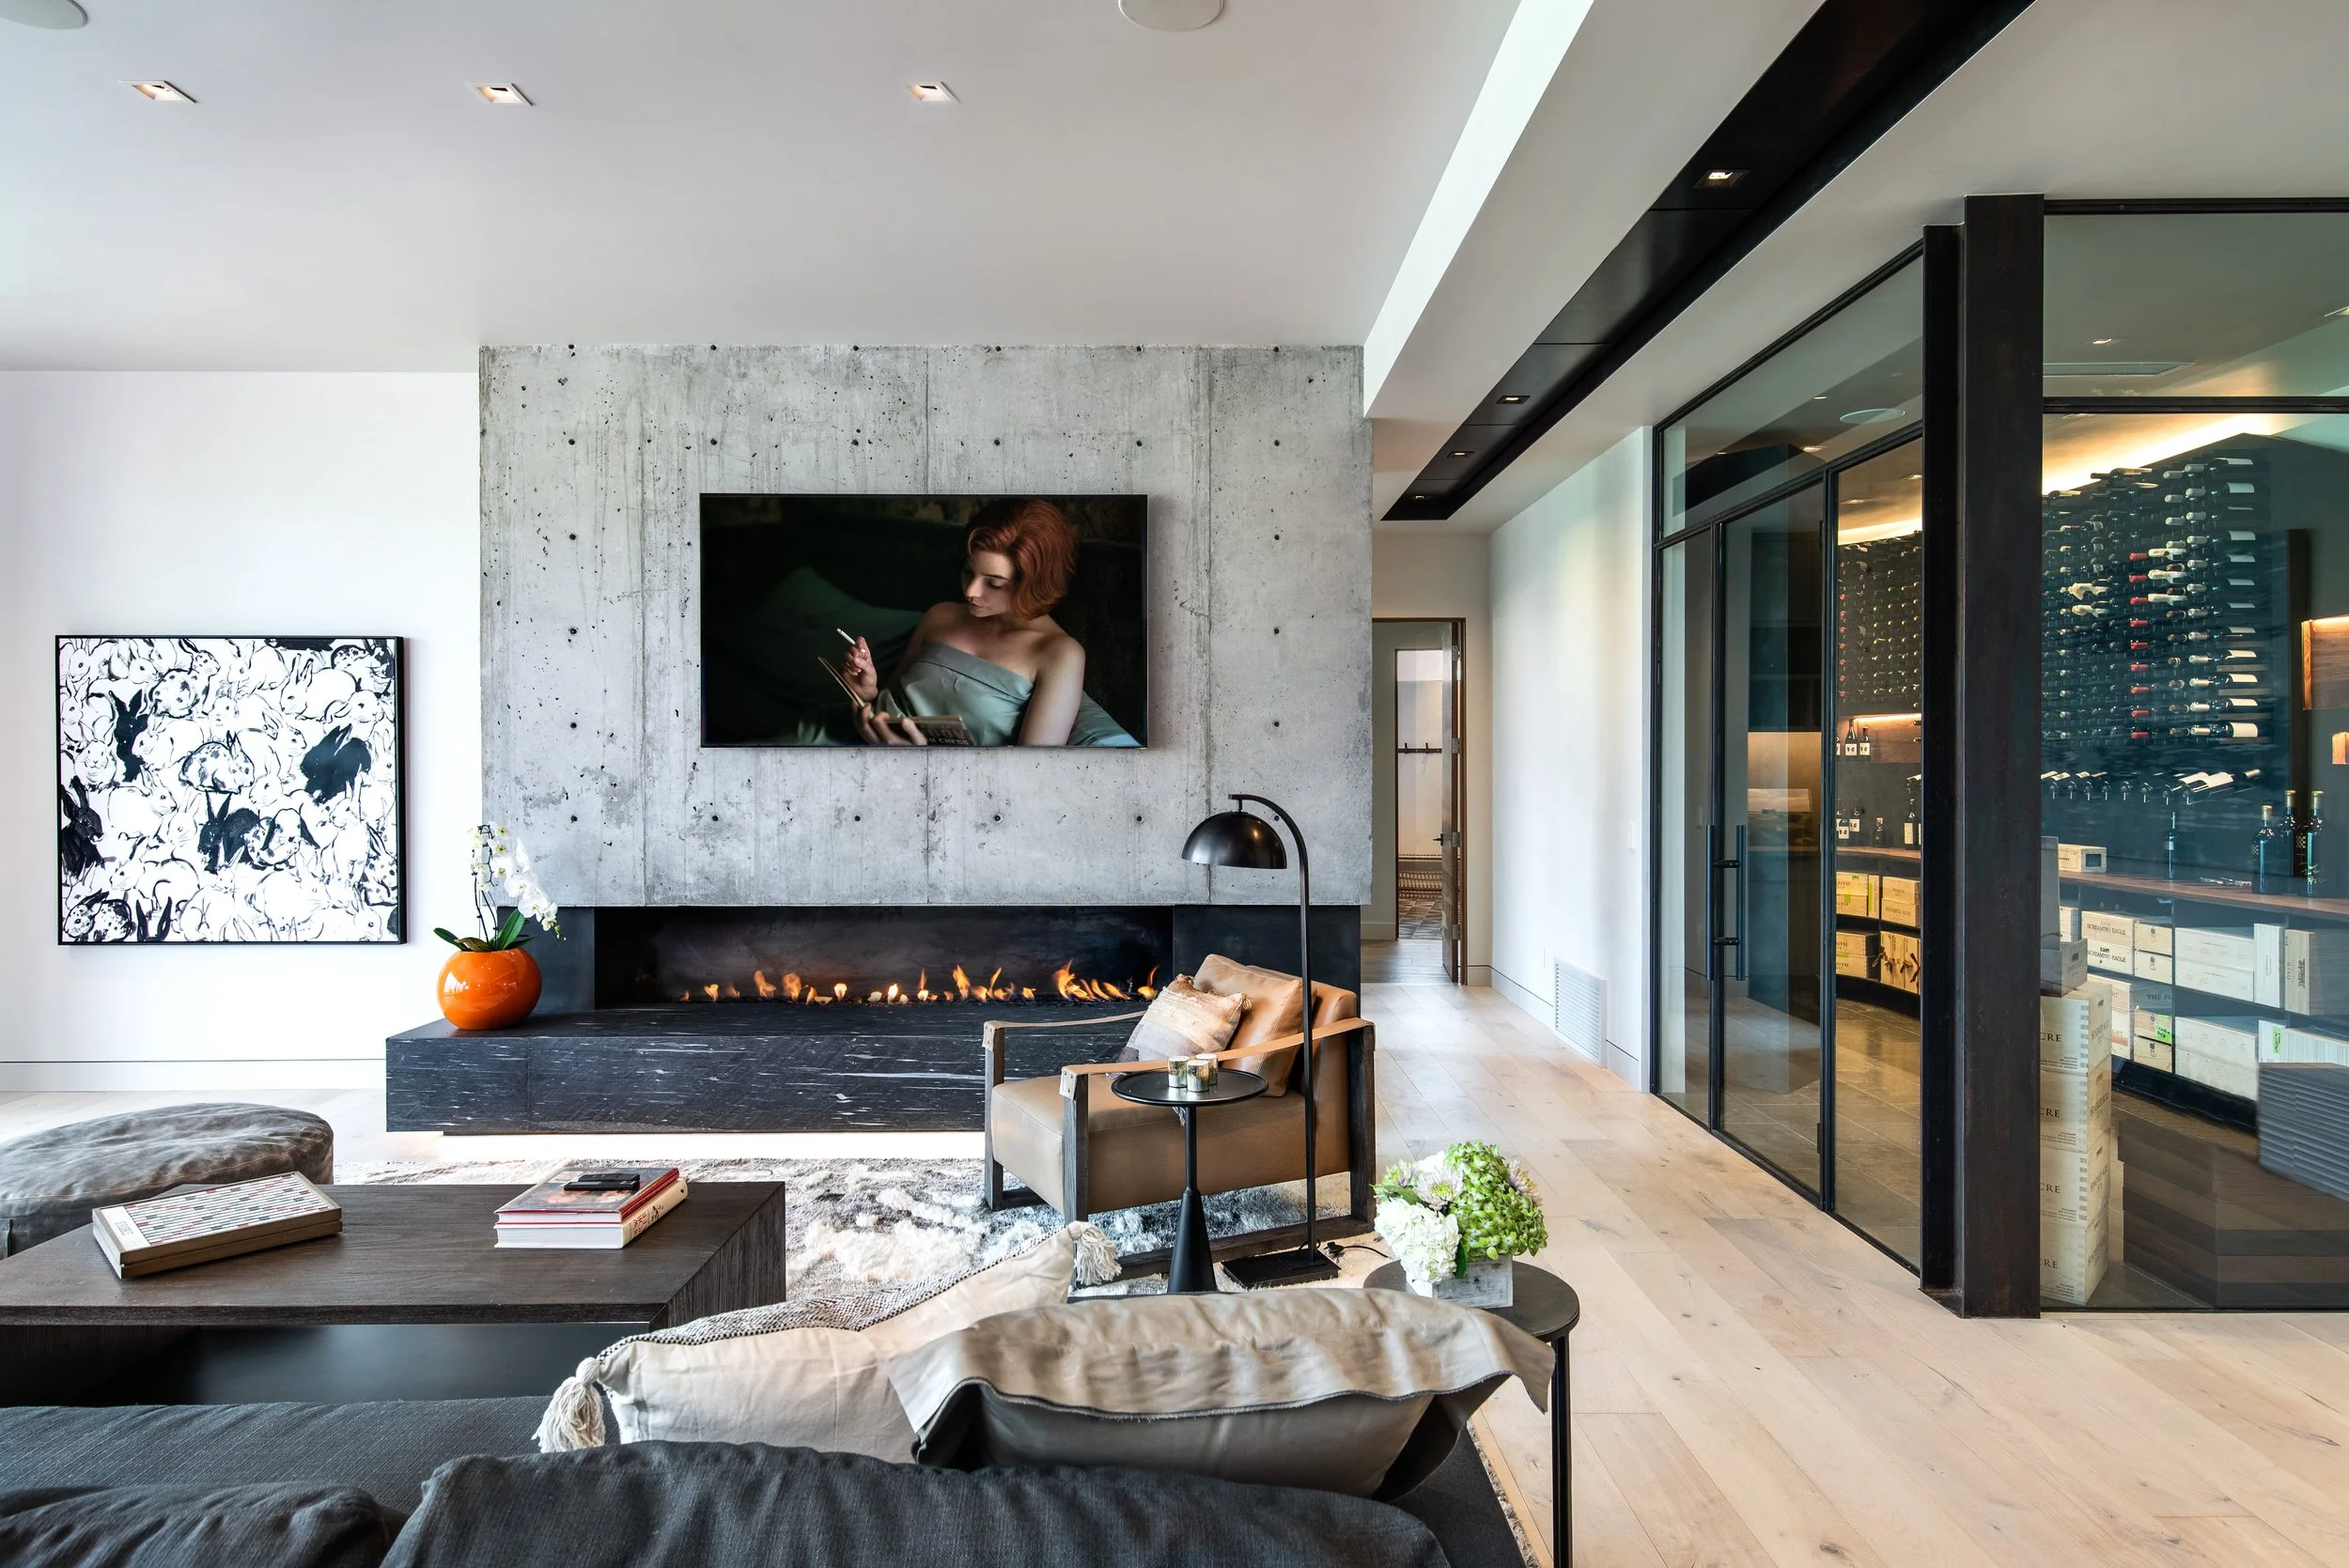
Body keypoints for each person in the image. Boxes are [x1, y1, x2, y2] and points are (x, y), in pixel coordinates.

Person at [841, 499, 1137, 747]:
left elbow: (1033, 774)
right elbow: (890, 703)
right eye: (968, 571)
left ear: (1034, 584)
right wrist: (868, 693)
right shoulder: (940, 615)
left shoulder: (1059, 653)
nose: (970, 592)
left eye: (994, 583)